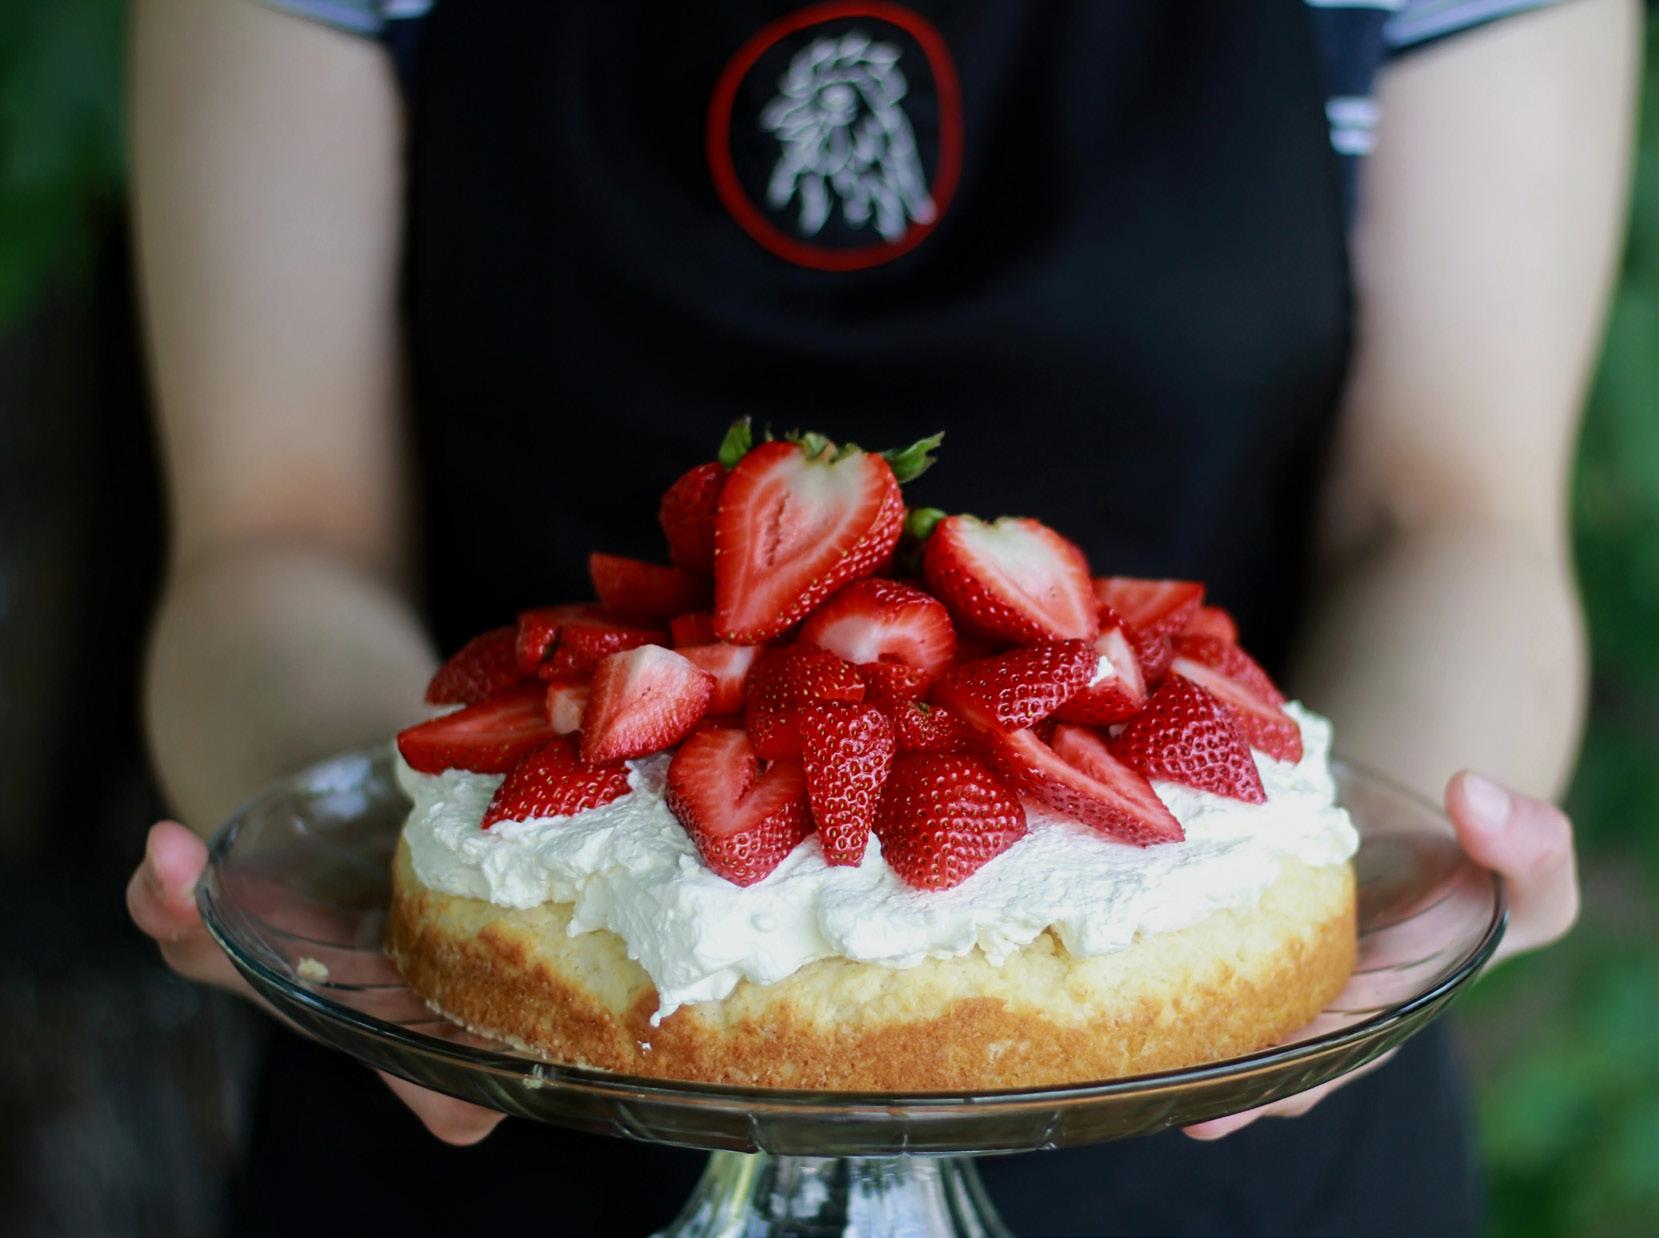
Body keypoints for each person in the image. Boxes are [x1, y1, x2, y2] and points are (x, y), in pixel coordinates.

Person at [124, 0, 1632, 1233]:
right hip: (474, 1141)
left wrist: (1393, 859)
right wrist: (343, 862)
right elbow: (273, 530)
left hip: (1240, 1169)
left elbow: (1449, 516)